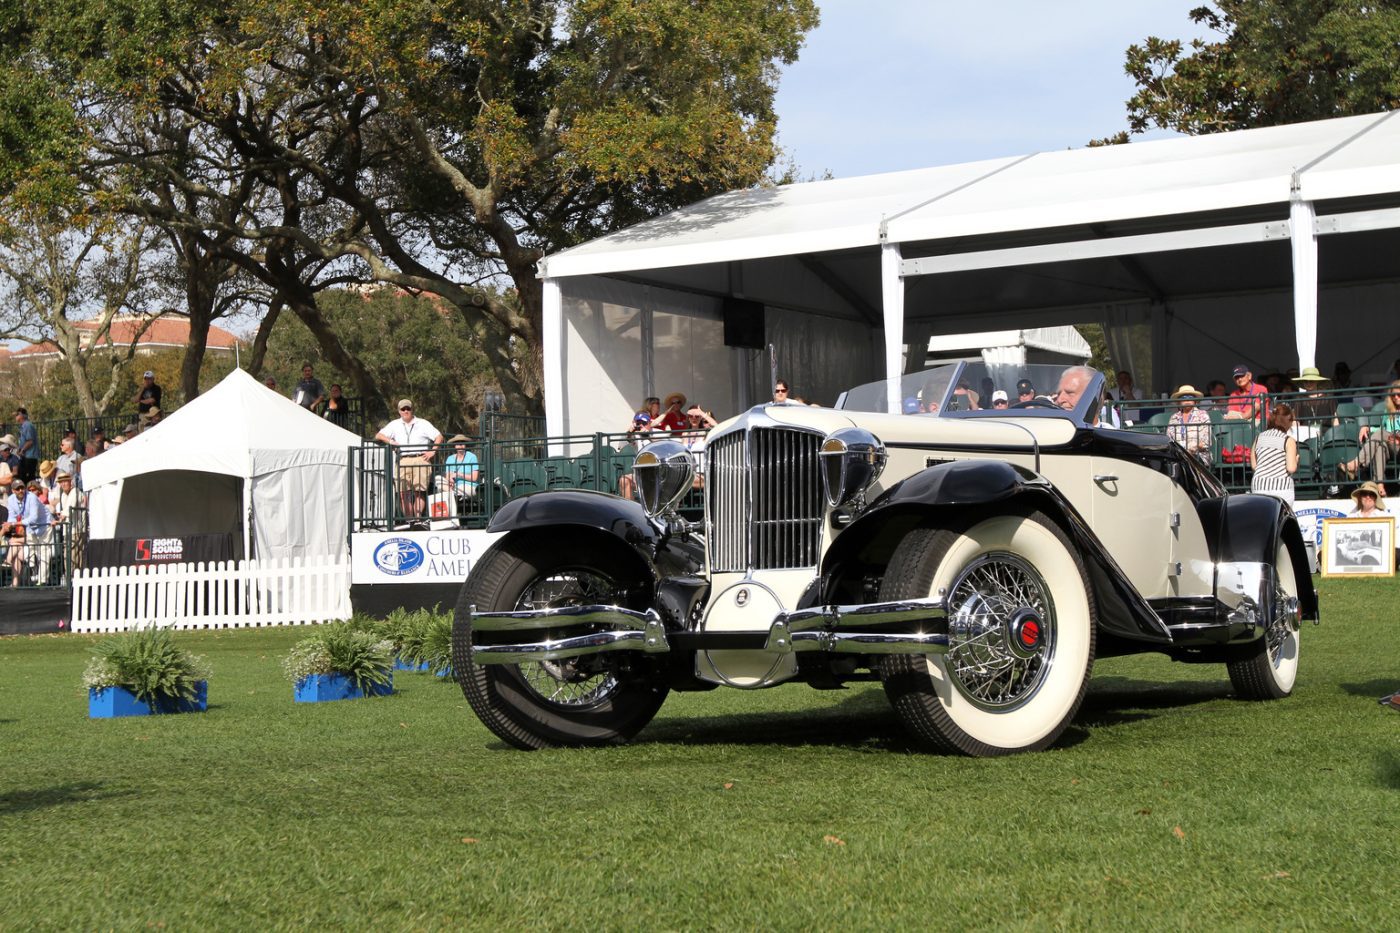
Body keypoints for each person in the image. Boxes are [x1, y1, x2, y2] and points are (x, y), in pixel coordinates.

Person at [374, 399, 444, 520]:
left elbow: (439, 437)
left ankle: (417, 520)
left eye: (408, 408)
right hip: (402, 459)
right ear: (399, 411)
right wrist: (391, 441)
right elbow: (378, 435)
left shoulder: (423, 423)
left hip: (420, 459)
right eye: (403, 409)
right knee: (402, 493)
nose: (406, 411)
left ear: (412, 410)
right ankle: (410, 520)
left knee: (420, 492)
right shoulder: (394, 424)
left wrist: (433, 451)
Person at [1343, 378, 1400, 492]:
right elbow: (1383, 430)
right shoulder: (1388, 411)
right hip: (1389, 444)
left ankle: (1356, 463)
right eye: (1393, 395)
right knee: (1380, 446)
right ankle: (1379, 485)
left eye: (1398, 395)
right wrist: (1368, 428)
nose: (1395, 398)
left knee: (1380, 437)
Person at [2, 478, 51, 586]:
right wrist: (9, 524)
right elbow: (12, 516)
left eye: (22, 488)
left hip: (44, 525)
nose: (20, 490)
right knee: (28, 553)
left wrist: (14, 524)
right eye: (17, 489)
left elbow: (34, 518)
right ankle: (18, 582)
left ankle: (42, 582)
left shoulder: (32, 497)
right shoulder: (11, 500)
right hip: (31, 528)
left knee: (43, 552)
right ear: (13, 490)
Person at [1250, 403, 1298, 504]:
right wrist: (1296, 460)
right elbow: (1291, 468)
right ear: (1288, 420)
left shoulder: (1258, 437)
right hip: (1281, 488)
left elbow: (1254, 466)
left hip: (1259, 486)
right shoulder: (1288, 440)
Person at [1167, 385, 1212, 465]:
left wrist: (1189, 450)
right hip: (1178, 455)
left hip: (1199, 456)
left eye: (1190, 397)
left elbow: (1206, 442)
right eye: (1183, 398)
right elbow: (1169, 440)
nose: (1187, 400)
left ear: (1195, 401)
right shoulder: (1174, 418)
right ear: (1178, 402)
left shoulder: (1203, 415)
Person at [441, 434, 480, 503]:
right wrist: (450, 481)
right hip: (453, 487)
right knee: (438, 479)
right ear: (455, 445)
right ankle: (451, 492)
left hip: (468, 486)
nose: (460, 444)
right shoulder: (450, 459)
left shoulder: (472, 457)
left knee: (446, 493)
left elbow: (474, 478)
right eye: (458, 442)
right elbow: (448, 476)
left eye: (462, 442)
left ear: (465, 444)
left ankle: (450, 493)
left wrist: (459, 474)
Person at [14, 407, 37, 482]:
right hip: (26, 457)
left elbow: (30, 441)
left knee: (27, 479)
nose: (15, 417)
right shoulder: (24, 426)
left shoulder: (27, 425)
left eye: (17, 414)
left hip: (29, 457)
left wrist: (22, 450)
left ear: (22, 415)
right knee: (22, 477)